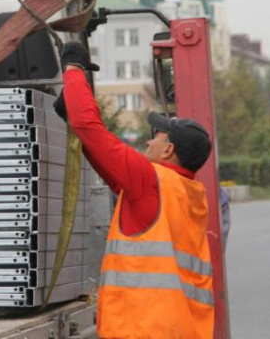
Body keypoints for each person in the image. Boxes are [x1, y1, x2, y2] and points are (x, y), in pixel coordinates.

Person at [54, 42, 215, 339]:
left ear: (168, 150)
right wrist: (72, 120)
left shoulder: (151, 179)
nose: (148, 143)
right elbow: (111, 169)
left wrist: (73, 69)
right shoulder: (187, 193)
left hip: (145, 330)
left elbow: (90, 127)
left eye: (156, 137)